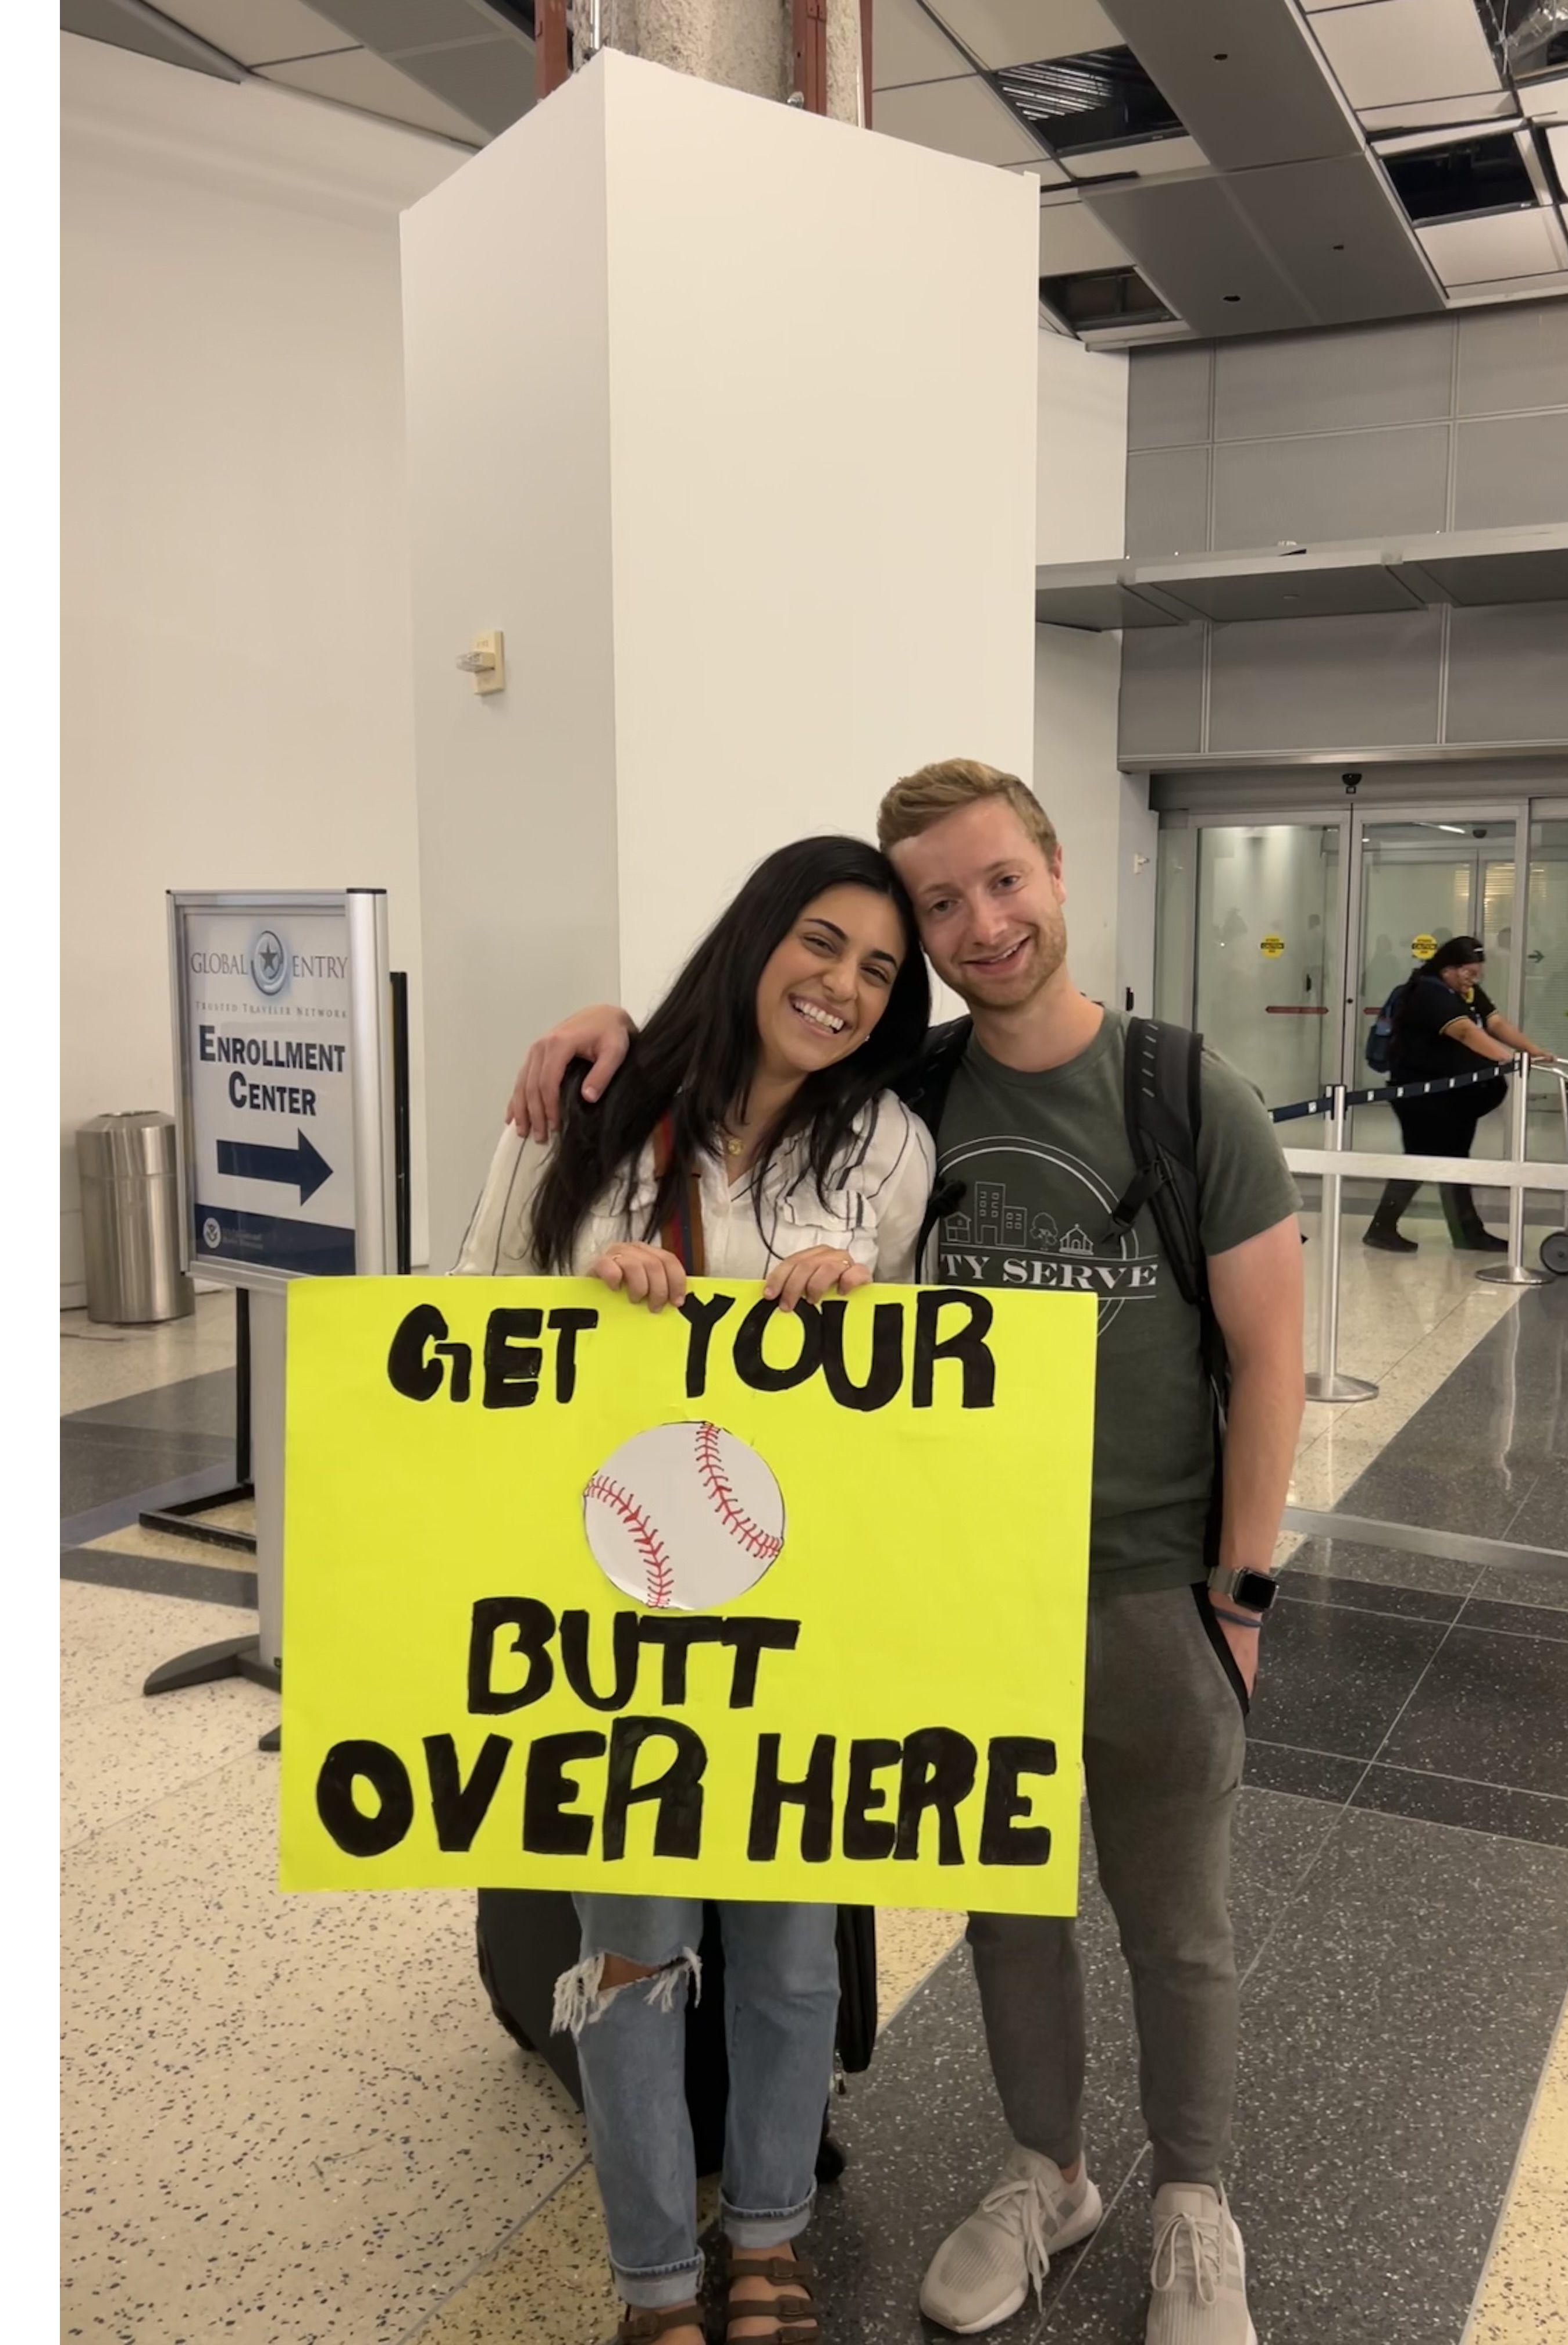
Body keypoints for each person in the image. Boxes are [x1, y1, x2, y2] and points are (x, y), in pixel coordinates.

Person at [507, 761, 1307, 2345]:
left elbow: (1272, 1350)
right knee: (1010, 1902)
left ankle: (1197, 2206)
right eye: (935, 906)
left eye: (998, 883)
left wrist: (1244, 1588)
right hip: (967, 1582)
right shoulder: (908, 1097)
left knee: (1179, 1916)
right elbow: (764, 1082)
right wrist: (598, 1029)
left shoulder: (1179, 1085)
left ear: (1060, 874)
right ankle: (1048, 2174)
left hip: (1152, 1578)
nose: (974, 925)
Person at [456, 835, 936, 2345]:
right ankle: (658, 2276)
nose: (844, 988)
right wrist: (599, 1311)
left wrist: (848, 1304)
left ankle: (772, 2240)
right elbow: (473, 1329)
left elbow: (905, 1388)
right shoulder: (583, 1115)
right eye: (820, 943)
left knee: (793, 1953)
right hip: (609, 1624)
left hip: (791, 1626)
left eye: (877, 970)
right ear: (752, 937)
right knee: (635, 1957)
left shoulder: (886, 1152)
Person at [1362, 933, 1552, 1256]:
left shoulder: (1462, 990)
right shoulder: (1429, 993)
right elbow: (1465, 1031)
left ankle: (1466, 1232)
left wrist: (1535, 1051)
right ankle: (1384, 1228)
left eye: (1477, 974)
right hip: (1421, 1095)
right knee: (1424, 1157)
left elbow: (1494, 1023)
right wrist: (1509, 1060)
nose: (1472, 980)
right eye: (1468, 973)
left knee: (1452, 1159)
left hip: (1451, 1097)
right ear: (1448, 968)